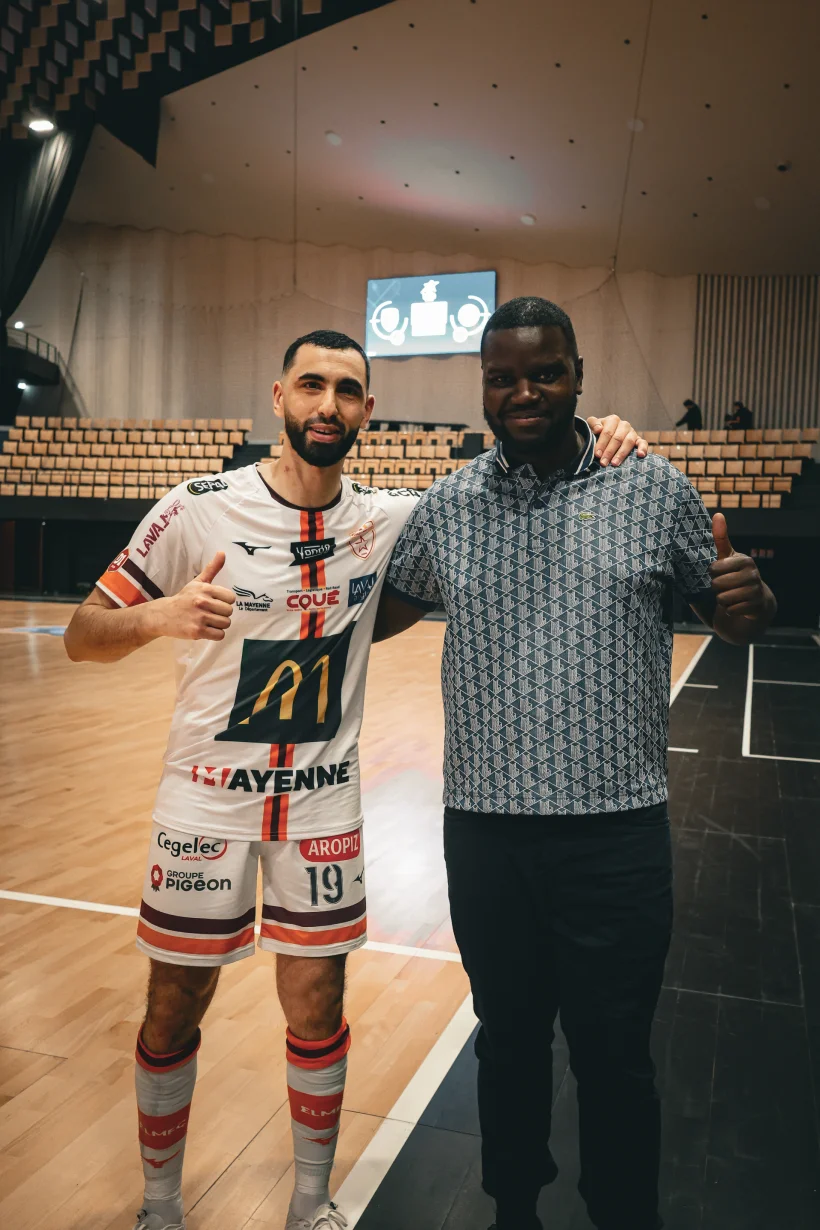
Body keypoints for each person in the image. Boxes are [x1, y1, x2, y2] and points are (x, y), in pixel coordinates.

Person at [62, 328, 648, 1230]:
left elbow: (512, 473)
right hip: (205, 801)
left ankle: (310, 1205)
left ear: (368, 411)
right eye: (310, 385)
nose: (327, 405)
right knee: (174, 1004)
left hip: (323, 800)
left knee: (317, 1001)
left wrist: (608, 431)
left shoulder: (395, 520)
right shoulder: (195, 507)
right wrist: (161, 618)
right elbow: (83, 633)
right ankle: (160, 1206)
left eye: (346, 391)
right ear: (279, 397)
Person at [375, 297, 777, 1230]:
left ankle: (622, 1215)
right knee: (506, 1043)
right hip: (485, 837)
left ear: (579, 374)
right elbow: (379, 607)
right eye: (503, 375)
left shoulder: (656, 490)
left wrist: (749, 606)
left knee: (614, 1055)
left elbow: (725, 607)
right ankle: (513, 1207)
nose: (524, 391)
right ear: (482, 384)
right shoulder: (448, 507)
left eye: (544, 371)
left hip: (616, 838)